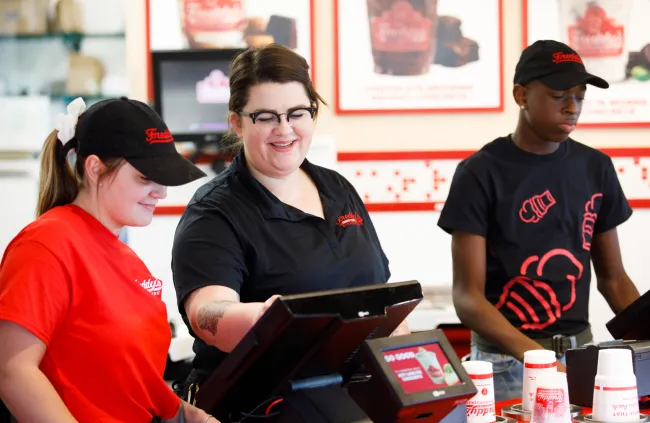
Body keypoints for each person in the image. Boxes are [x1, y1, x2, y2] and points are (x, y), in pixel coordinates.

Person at [171, 43, 408, 420]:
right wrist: (262, 320)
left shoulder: (338, 189)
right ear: (236, 122)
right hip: (259, 407)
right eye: (265, 117)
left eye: (297, 113)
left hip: (348, 402)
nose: (284, 130)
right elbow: (206, 313)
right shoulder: (214, 211)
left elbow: (383, 301)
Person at [437, 40, 641, 402]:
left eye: (579, 96)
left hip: (581, 354)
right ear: (521, 95)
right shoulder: (480, 173)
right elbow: (468, 297)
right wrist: (541, 361)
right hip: (505, 365)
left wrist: (646, 337)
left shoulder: (596, 167)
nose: (571, 107)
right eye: (559, 94)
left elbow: (614, 279)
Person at [0, 97, 220, 423]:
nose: (160, 192)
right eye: (146, 178)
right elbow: (13, 370)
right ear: (95, 168)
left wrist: (184, 414)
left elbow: (131, 380)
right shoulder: (45, 245)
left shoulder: (127, 260)